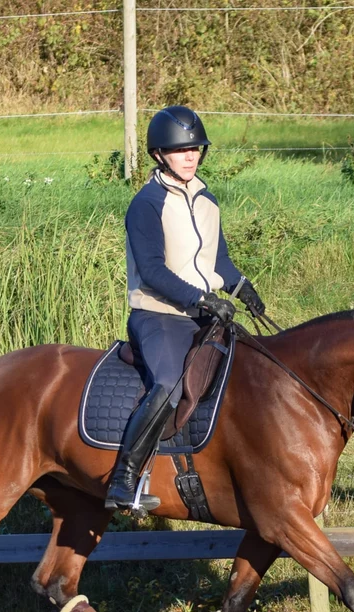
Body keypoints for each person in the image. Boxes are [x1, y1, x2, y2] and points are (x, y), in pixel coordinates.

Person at [104, 105, 267, 512]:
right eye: (181, 151)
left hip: (204, 314)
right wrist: (201, 298)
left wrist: (242, 289)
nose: (191, 156)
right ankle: (123, 479)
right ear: (160, 155)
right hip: (158, 315)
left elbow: (219, 261)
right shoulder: (147, 203)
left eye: (196, 149)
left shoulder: (207, 200)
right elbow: (153, 271)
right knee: (168, 384)